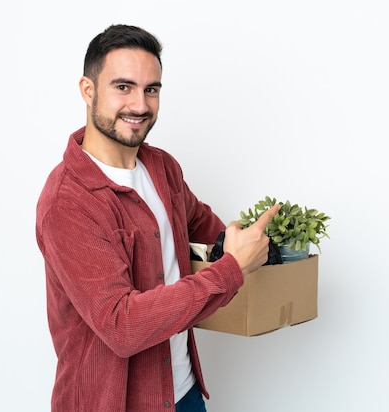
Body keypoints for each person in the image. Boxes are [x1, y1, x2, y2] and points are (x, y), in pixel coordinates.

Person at [35, 24, 278, 412]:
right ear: (87, 89)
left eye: (151, 89)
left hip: (184, 393)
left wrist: (261, 245)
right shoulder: (68, 202)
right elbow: (122, 326)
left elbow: (202, 226)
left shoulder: (162, 167)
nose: (140, 105)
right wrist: (232, 268)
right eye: (123, 87)